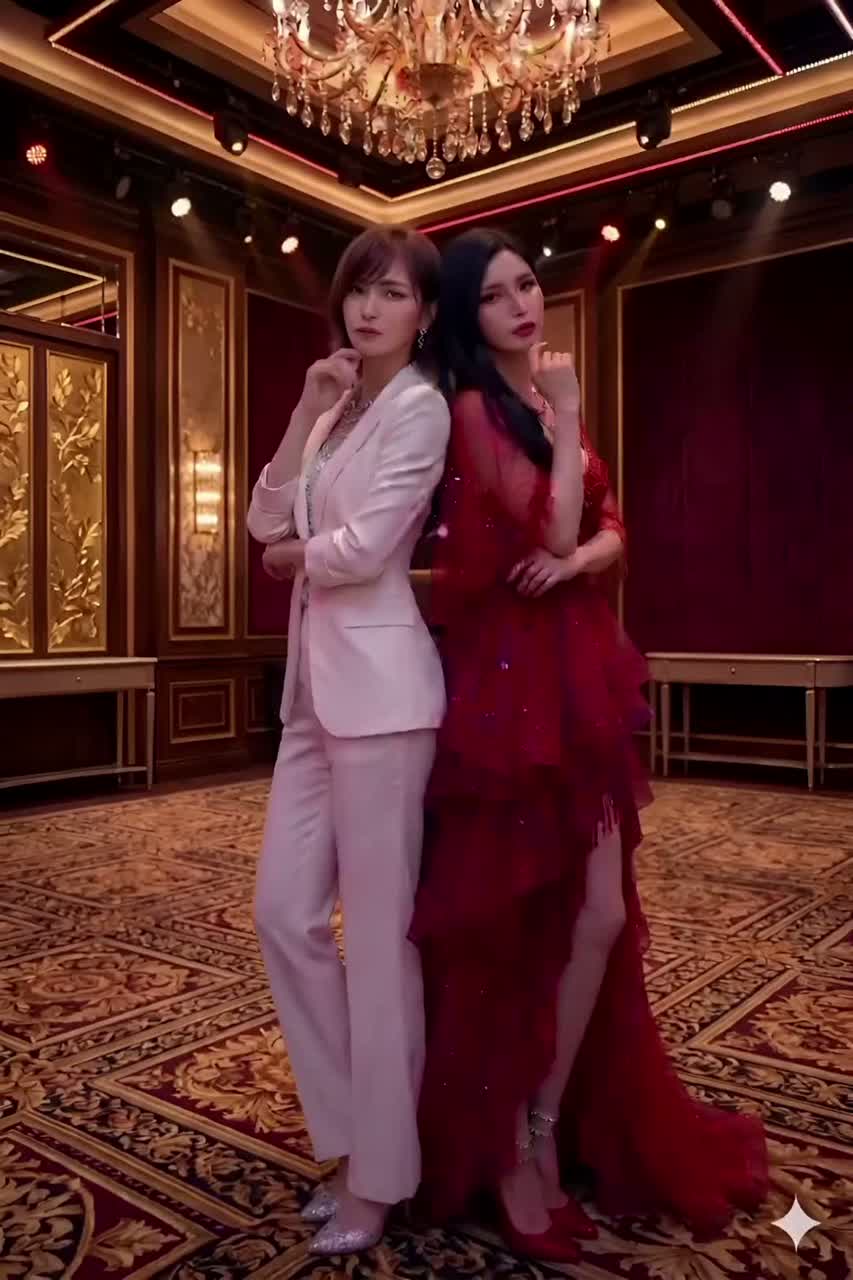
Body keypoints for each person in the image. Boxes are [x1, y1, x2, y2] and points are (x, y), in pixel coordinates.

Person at [410, 229, 768, 1263]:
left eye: (528, 283)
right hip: (506, 691)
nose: (521, 304)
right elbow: (553, 529)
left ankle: (542, 1120)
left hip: (577, 676)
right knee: (520, 917)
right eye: (494, 296)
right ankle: (509, 1143)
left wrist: (578, 554)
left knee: (601, 912)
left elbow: (605, 530)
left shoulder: (537, 401)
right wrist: (567, 428)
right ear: (468, 318)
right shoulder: (474, 410)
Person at [247, 228, 450, 1256]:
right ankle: (349, 1134)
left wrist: (296, 556)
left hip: (384, 699)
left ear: (424, 315)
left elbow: (366, 548)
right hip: (311, 702)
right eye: (359, 290)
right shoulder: (336, 406)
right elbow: (260, 515)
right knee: (282, 913)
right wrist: (302, 410)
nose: (369, 309)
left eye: (393, 294)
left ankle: (380, 1176)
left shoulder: (422, 406)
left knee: (377, 944)